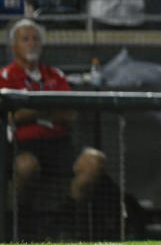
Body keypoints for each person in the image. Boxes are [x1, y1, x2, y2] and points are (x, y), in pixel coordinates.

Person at [0, 19, 107, 218]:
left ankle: (69, 220)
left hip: (59, 144)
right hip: (22, 145)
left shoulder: (55, 75)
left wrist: (30, 110)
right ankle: (19, 221)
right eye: (25, 39)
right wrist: (47, 110)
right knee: (26, 167)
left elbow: (68, 114)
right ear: (14, 46)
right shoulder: (5, 76)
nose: (32, 43)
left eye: (36, 39)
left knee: (94, 161)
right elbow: (10, 115)